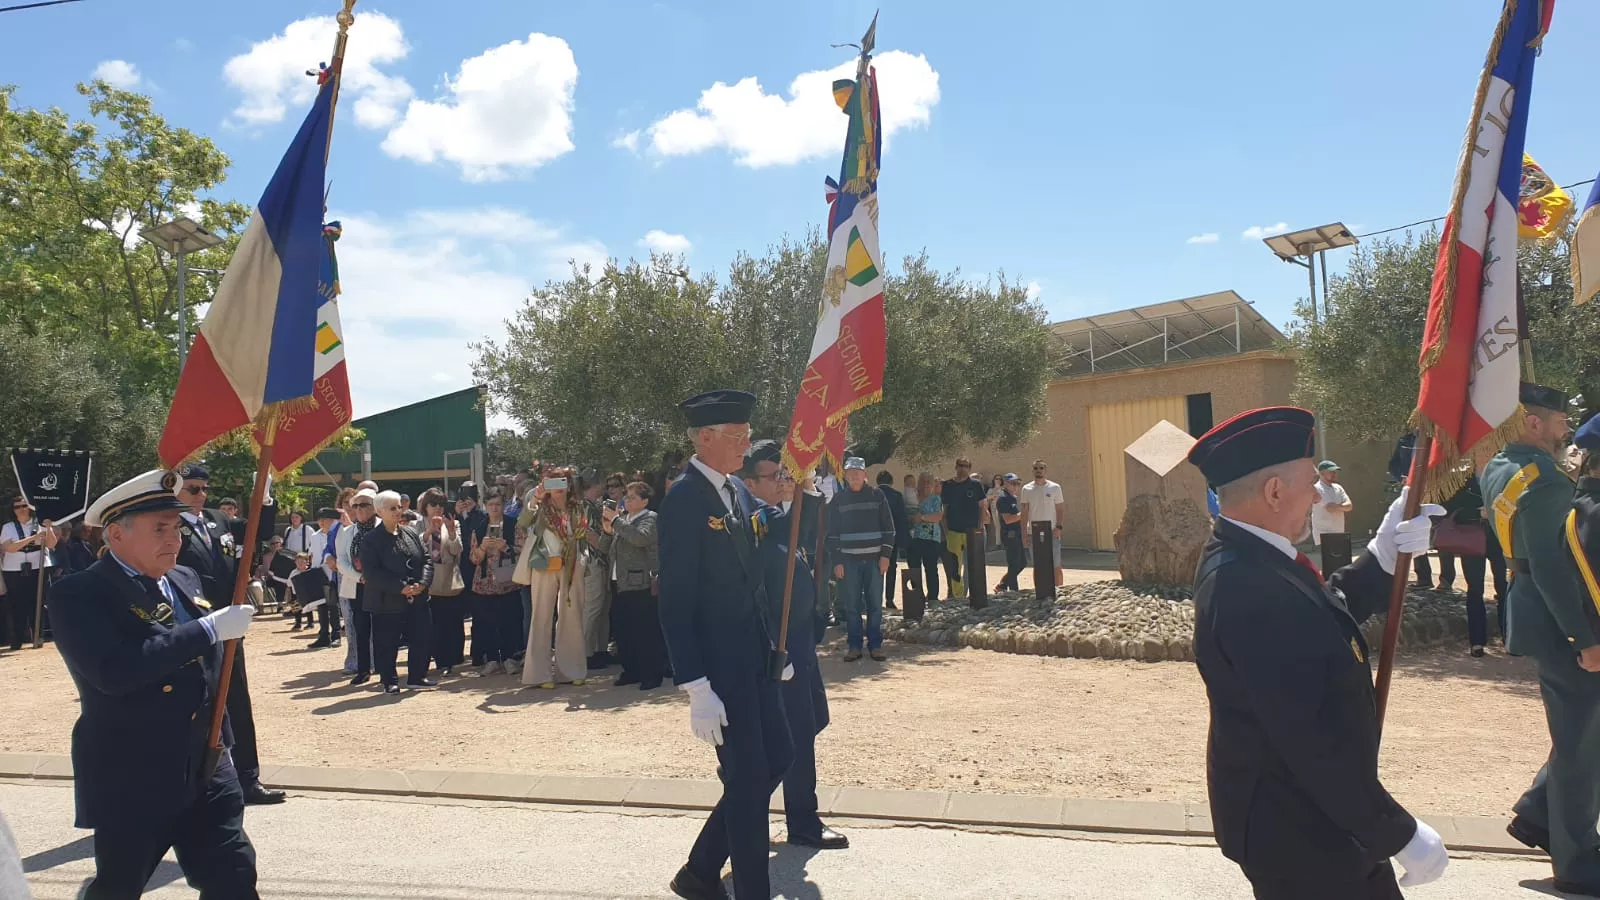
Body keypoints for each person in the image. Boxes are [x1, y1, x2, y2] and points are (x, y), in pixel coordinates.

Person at [1188, 406, 1448, 898]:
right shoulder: (1247, 583)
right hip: (1298, 828)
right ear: (1274, 492)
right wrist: (1397, 832)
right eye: (1312, 483)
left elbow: (1322, 609)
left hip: (1312, 818)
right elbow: (1308, 739)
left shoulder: (1252, 556)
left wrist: (1383, 553)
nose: (1318, 494)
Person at [48, 468, 261, 898]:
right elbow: (115, 671)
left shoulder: (184, 579)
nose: (174, 538)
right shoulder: (80, 593)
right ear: (116, 534)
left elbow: (208, 673)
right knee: (120, 884)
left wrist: (223, 741)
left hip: (205, 760)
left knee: (234, 875)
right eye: (159, 528)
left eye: (177, 527)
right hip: (134, 769)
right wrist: (205, 630)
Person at [659, 390, 793, 900]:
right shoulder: (685, 498)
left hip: (754, 657)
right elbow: (675, 599)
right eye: (738, 436)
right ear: (706, 438)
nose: (747, 443)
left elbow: (751, 574)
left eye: (747, 434)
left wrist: (771, 651)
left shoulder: (736, 491)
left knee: (776, 758)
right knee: (749, 777)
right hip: (717, 666)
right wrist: (695, 684)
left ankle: (699, 870)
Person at [1482, 383, 1600, 894]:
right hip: (1559, 619)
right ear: (1533, 422)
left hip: (1526, 602)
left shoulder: (1496, 468)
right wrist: (1584, 636)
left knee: (1581, 729)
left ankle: (1537, 812)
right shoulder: (1546, 480)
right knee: (1580, 743)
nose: (1564, 430)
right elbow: (1556, 566)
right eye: (1557, 421)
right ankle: (1576, 863)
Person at [741, 439, 848, 851]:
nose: (785, 483)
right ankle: (798, 819)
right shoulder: (754, 521)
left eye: (787, 475)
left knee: (811, 721)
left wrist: (804, 492)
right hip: (776, 645)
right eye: (777, 476)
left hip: (801, 640)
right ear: (751, 482)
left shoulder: (782, 514)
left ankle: (752, 811)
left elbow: (803, 539)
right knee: (793, 734)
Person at [172, 464, 284, 807]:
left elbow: (257, 530)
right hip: (190, 627)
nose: (201, 495)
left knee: (237, 700)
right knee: (193, 705)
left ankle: (248, 778)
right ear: (175, 490)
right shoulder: (167, 525)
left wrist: (262, 494)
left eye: (205, 488)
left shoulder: (217, 521)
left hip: (229, 627)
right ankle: (191, 780)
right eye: (193, 489)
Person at [518, 470, 590, 688]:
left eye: (563, 482)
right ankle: (539, 674)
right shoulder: (540, 506)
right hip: (545, 563)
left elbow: (582, 534)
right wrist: (536, 498)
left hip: (572, 563)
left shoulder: (578, 507)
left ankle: (571, 670)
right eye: (553, 482)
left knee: (572, 615)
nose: (559, 487)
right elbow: (523, 521)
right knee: (541, 616)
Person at [359, 490, 434, 694]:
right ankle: (389, 680)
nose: (398, 511)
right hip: (386, 601)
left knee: (422, 637)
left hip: (417, 597)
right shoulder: (371, 540)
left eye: (399, 506)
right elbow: (372, 572)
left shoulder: (409, 532)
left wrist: (422, 583)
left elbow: (426, 559)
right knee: (387, 643)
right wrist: (399, 587)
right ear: (380, 512)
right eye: (393, 508)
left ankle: (417, 676)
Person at [600, 480, 667, 689]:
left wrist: (617, 522)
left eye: (632, 497)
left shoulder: (650, 518)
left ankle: (651, 674)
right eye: (626, 497)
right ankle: (631, 670)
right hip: (619, 582)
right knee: (623, 631)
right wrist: (607, 530)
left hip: (641, 583)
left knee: (645, 631)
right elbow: (604, 547)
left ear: (645, 501)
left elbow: (641, 538)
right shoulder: (623, 521)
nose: (627, 501)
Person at [828, 457, 895, 662]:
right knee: (851, 606)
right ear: (845, 476)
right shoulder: (839, 500)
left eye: (858, 472)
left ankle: (875, 645)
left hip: (875, 561)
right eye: (850, 473)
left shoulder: (877, 495)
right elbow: (832, 534)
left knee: (875, 605)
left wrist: (885, 556)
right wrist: (837, 561)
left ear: (865, 475)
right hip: (848, 562)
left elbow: (889, 529)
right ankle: (854, 646)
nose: (854, 476)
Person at [466, 490, 523, 676]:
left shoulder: (513, 525)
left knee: (510, 621)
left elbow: (522, 551)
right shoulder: (480, 527)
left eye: (497, 504)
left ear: (503, 504)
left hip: (508, 581)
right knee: (487, 623)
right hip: (484, 583)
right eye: (490, 505)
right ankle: (492, 659)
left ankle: (510, 658)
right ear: (485, 506)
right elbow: (473, 558)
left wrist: (504, 547)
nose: (494, 508)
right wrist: (483, 547)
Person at [417, 490, 466, 676]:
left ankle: (451, 661)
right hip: (427, 580)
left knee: (451, 623)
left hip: (448, 578)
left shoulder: (453, 523)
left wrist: (452, 531)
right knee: (432, 625)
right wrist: (429, 531)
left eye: (440, 505)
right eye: (433, 504)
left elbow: (457, 550)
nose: (437, 508)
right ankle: (437, 659)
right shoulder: (417, 524)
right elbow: (416, 549)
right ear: (425, 507)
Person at [2, 493, 56, 650]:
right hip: (14, 567)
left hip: (38, 565)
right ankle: (17, 639)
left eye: (24, 506)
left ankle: (38, 636)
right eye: (17, 507)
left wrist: (48, 527)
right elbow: (10, 548)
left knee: (37, 602)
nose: (21, 509)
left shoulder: (39, 523)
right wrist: (33, 539)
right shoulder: (8, 527)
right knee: (16, 604)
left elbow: (51, 544)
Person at [337, 488, 378, 681]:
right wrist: (359, 577)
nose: (359, 509)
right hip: (357, 586)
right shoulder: (346, 532)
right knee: (361, 629)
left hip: (381, 586)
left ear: (375, 507)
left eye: (364, 505)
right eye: (356, 505)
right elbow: (341, 561)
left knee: (383, 628)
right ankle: (363, 670)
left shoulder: (384, 528)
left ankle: (383, 667)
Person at [579, 470, 615, 670]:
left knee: (602, 608)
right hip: (592, 561)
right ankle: (584, 652)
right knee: (592, 607)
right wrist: (604, 545)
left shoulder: (594, 506)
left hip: (602, 562)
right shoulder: (584, 506)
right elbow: (587, 534)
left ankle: (600, 650)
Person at [940, 458, 989, 601]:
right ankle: (957, 596)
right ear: (955, 467)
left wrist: (980, 527)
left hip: (972, 531)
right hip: (954, 531)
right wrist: (946, 531)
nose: (962, 468)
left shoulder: (975, 485)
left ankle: (973, 594)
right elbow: (945, 510)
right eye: (960, 466)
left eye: (966, 466)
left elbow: (982, 506)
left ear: (969, 468)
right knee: (955, 566)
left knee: (972, 564)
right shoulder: (948, 485)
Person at [1020, 459, 1064, 588]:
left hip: (1051, 531)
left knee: (1055, 564)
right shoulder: (1026, 489)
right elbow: (1024, 512)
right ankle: (1039, 590)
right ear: (1032, 470)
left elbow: (1060, 508)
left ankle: (1059, 590)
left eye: (1041, 468)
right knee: (1038, 564)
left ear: (1046, 470)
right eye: (1036, 468)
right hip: (1033, 532)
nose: (1038, 471)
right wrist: (1023, 534)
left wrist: (1059, 527)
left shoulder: (1055, 487)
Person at [303, 508, 341, 648]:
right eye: (320, 520)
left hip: (333, 573)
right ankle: (324, 635)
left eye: (325, 520)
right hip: (319, 573)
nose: (322, 523)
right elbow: (313, 555)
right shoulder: (315, 536)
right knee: (321, 606)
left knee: (333, 605)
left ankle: (336, 634)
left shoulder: (337, 533)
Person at [908, 473, 944, 603]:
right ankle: (917, 596)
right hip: (914, 538)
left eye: (929, 482)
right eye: (923, 481)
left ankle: (933, 597)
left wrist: (922, 518)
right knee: (914, 567)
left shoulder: (936, 499)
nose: (926, 484)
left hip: (931, 539)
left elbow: (938, 517)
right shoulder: (912, 498)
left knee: (931, 568)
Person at [876, 471, 908, 611]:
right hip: (892, 538)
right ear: (891, 481)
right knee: (891, 567)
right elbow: (901, 519)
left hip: (875, 538)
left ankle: (875, 599)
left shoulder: (872, 494)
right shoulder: (896, 496)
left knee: (875, 569)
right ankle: (889, 599)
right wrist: (903, 540)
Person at [1311, 460, 1353, 547]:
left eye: (1335, 472)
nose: (1334, 474)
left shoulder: (1338, 487)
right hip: (1323, 535)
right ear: (1322, 473)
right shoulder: (1317, 488)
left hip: (1339, 534)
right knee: (1326, 560)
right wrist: (1341, 506)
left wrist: (1336, 506)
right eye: (1331, 472)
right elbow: (1330, 508)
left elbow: (1349, 506)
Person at [995, 474, 1026, 592]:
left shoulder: (1012, 497)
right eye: (1013, 483)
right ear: (1006, 483)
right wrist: (1024, 514)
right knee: (1014, 564)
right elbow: (1008, 519)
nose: (1016, 486)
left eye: (1018, 483)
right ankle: (1014, 591)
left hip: (1017, 533)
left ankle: (1003, 585)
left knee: (1022, 563)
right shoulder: (1003, 498)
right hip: (1010, 534)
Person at [985, 474, 1005, 550]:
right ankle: (998, 543)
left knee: (1004, 526)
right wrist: (993, 496)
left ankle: (1004, 543)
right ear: (994, 480)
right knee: (998, 526)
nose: (998, 480)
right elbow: (986, 498)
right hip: (994, 509)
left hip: (1003, 509)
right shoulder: (991, 490)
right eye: (996, 479)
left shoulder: (1003, 489)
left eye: (999, 479)